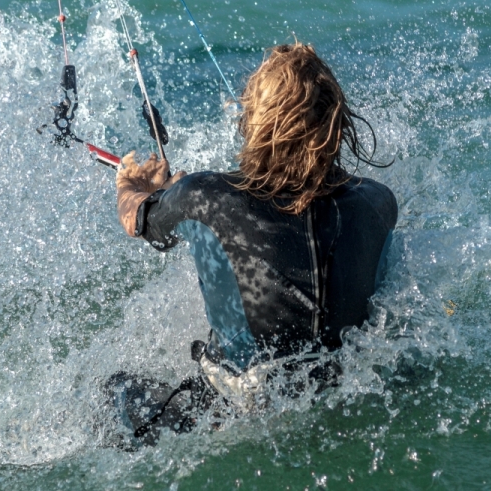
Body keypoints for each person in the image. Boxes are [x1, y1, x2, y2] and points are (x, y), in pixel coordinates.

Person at [111, 43, 397, 436]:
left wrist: (133, 186)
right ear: (336, 124)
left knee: (115, 388)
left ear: (255, 123)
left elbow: (136, 219)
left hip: (235, 410)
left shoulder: (204, 197)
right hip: (343, 394)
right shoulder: (378, 203)